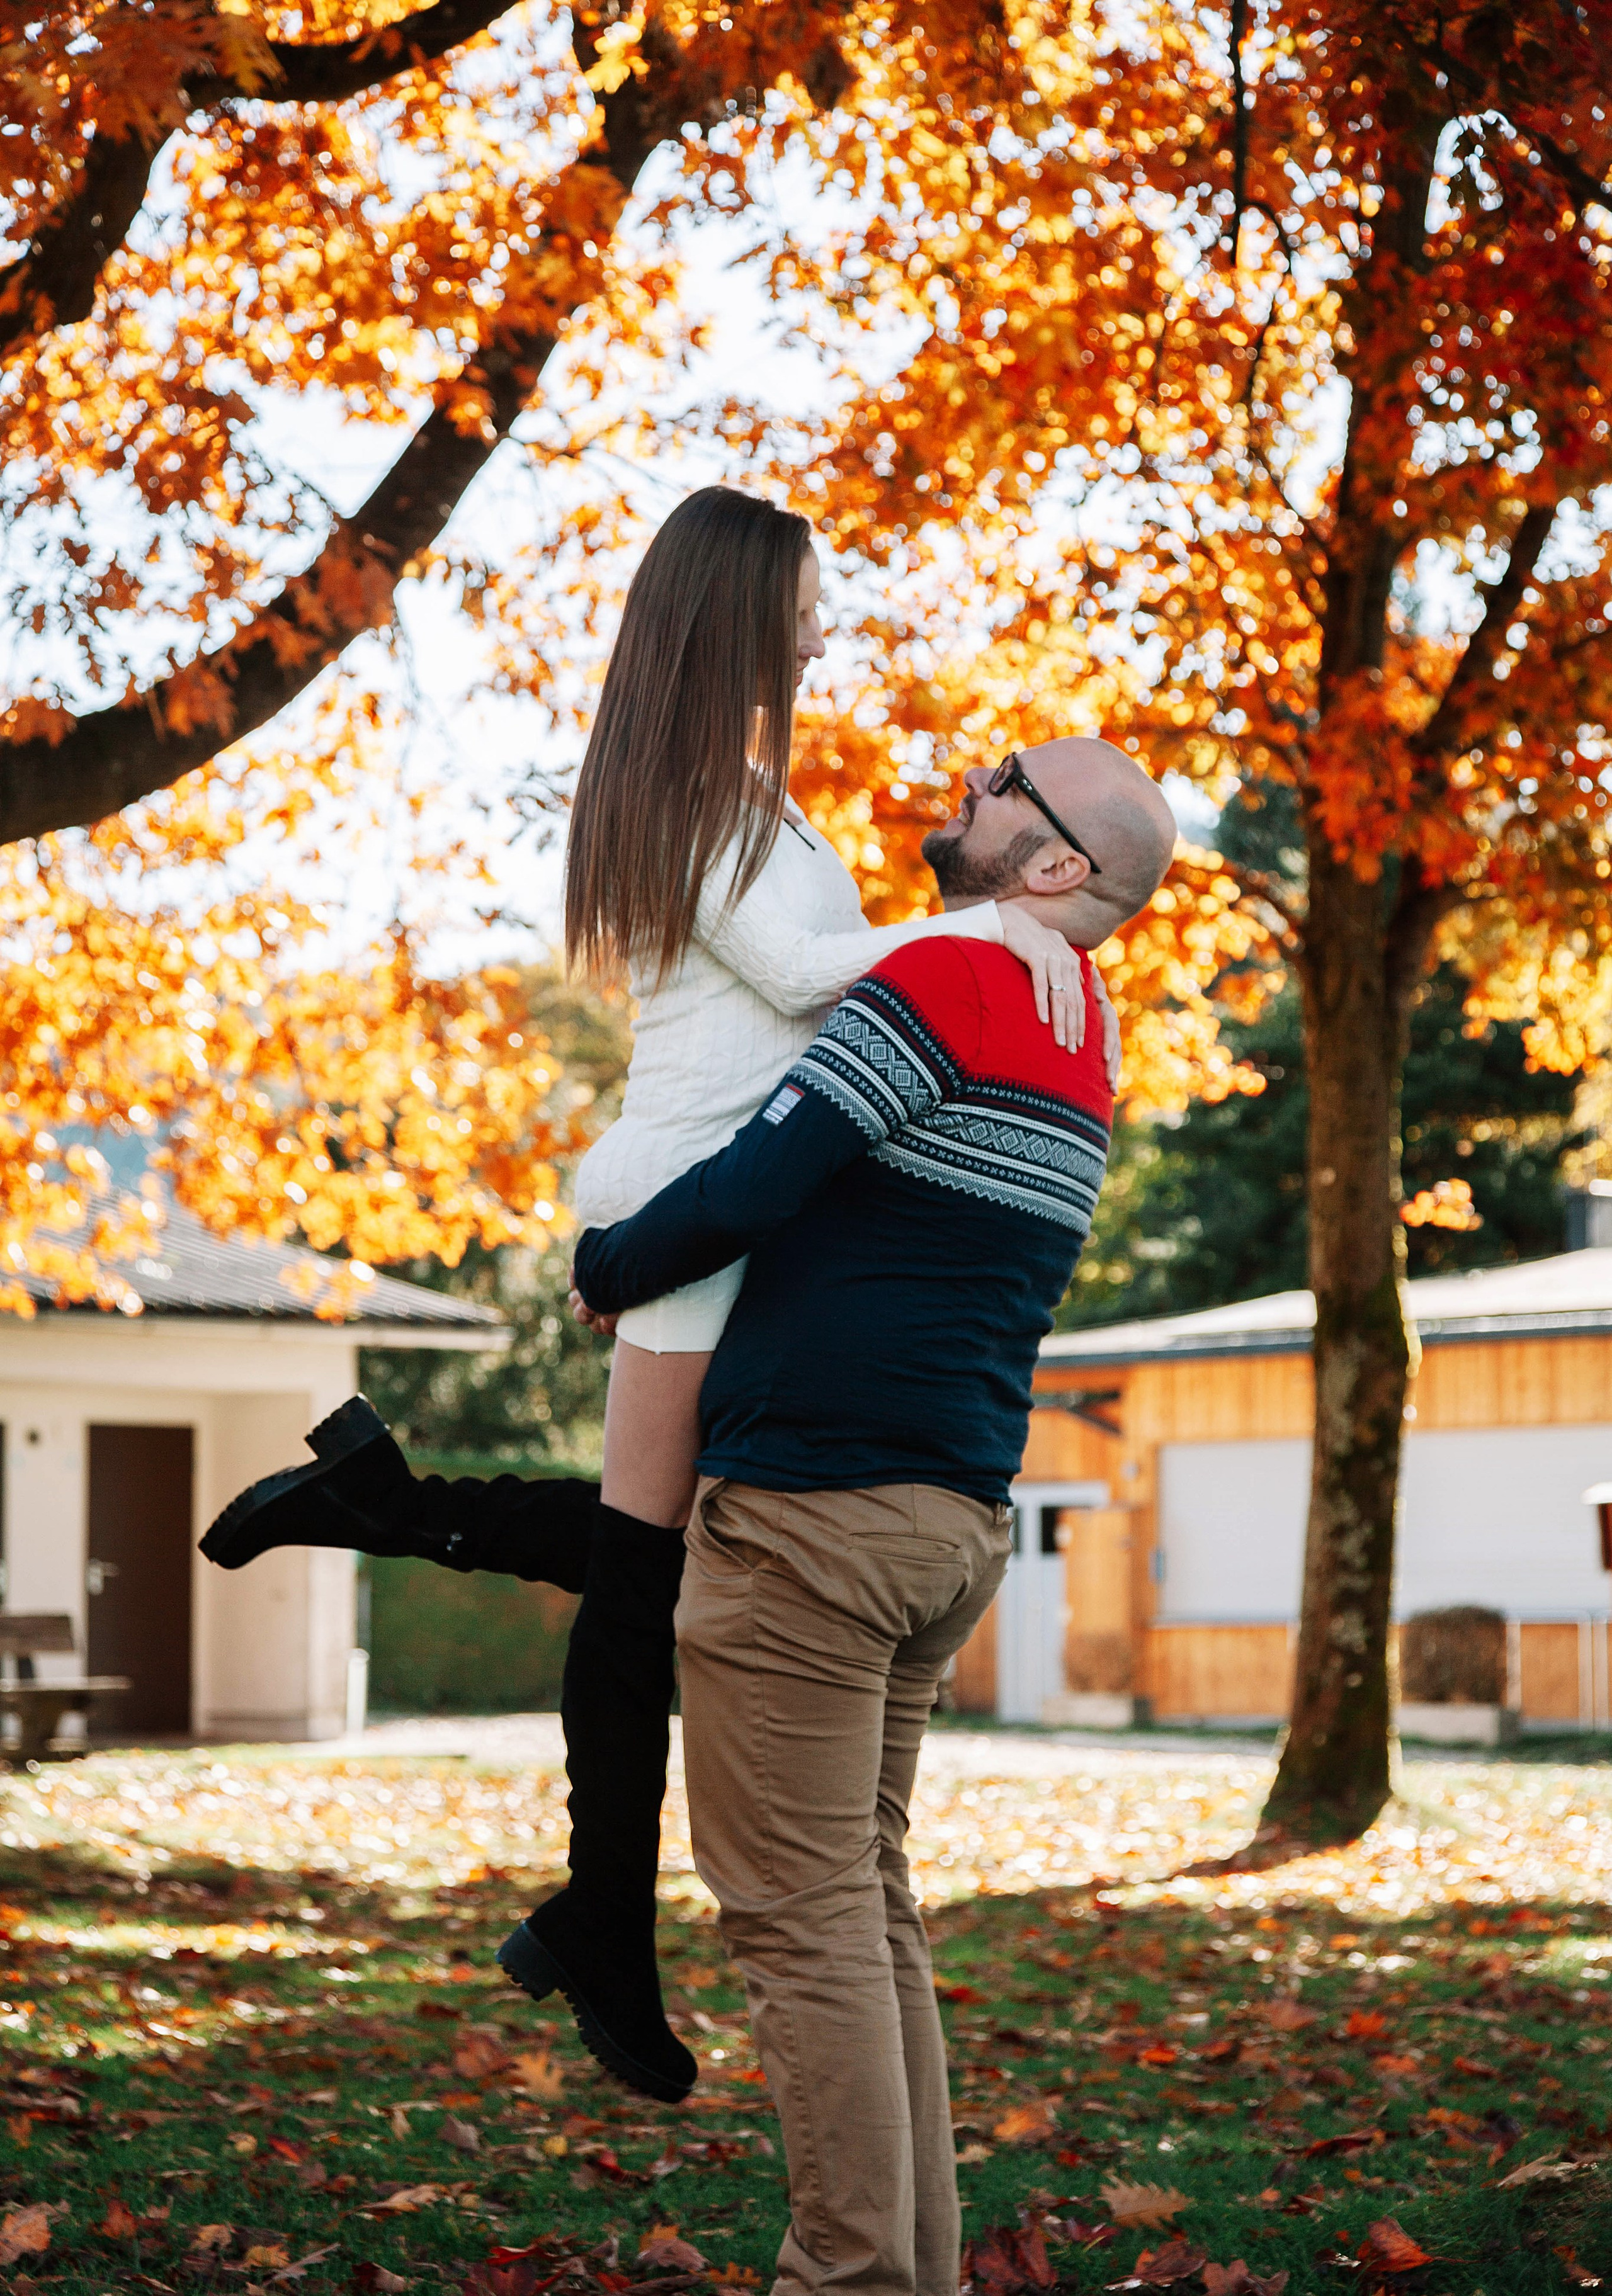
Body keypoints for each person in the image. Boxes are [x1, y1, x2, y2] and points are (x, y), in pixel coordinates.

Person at [198, 487, 1116, 2108]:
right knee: (646, 1575)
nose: (833, 624)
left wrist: (989, 924)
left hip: (720, 1201)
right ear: (745, 609)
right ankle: (599, 1918)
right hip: (692, 1198)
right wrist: (997, 919)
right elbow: (810, 978)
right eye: (814, 597)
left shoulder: (742, 790)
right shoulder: (692, 787)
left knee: (669, 1550)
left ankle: (394, 1519)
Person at [561, 735, 1176, 2296]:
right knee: (867, 1904)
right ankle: (908, 2293)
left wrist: (607, 1265)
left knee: (797, 1914)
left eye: (1002, 785)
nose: (963, 789)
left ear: (1056, 868)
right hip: (949, 1517)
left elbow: (766, 1173)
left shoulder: (949, 979)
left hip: (820, 1514)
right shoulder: (1080, 1028)